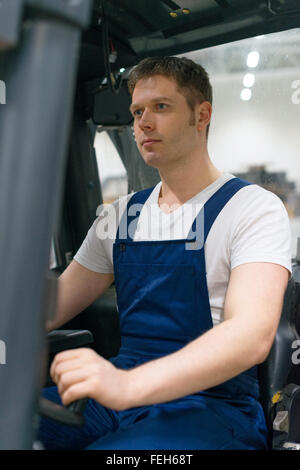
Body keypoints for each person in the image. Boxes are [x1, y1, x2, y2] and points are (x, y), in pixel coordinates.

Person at [38, 56, 291, 450]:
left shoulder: (252, 207)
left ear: (201, 114)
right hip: (119, 396)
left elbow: (251, 336)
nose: (143, 123)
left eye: (161, 107)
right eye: (137, 111)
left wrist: (126, 385)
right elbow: (49, 308)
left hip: (211, 406)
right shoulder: (120, 216)